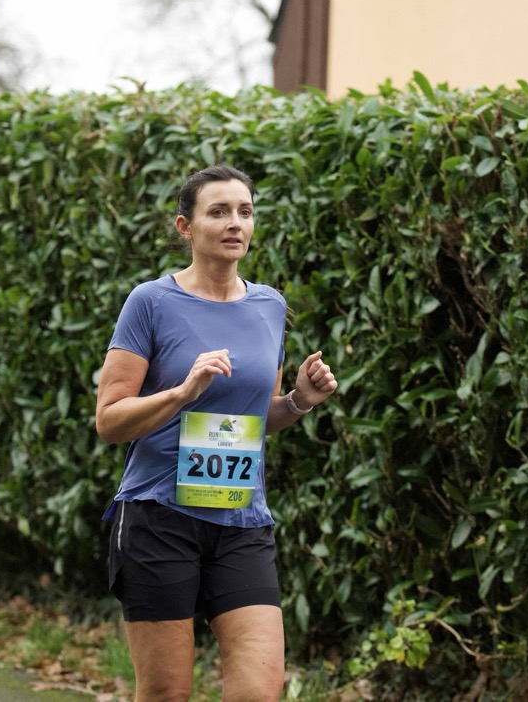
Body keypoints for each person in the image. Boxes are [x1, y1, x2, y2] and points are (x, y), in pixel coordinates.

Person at [95, 165, 338, 701]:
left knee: (259, 690)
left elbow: (253, 420)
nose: (235, 223)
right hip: (159, 516)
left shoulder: (269, 306)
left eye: (245, 212)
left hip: (240, 518)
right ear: (185, 226)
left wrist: (299, 400)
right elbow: (109, 420)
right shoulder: (150, 302)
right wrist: (181, 394)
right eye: (219, 211)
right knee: (166, 692)